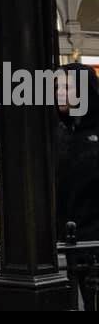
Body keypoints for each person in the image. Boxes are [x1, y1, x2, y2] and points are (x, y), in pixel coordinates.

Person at [55, 64, 99, 308]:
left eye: (68, 86)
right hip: (75, 242)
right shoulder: (60, 131)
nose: (60, 92)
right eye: (56, 87)